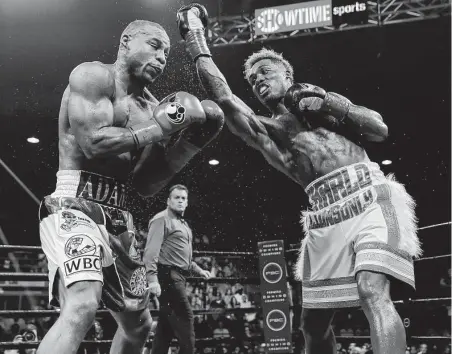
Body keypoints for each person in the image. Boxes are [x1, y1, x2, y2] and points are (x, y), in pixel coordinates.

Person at [176, 4, 421, 354]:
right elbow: (223, 95)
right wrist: (195, 34)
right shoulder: (267, 132)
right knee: (312, 326)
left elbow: (380, 129)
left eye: (265, 72)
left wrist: (334, 104)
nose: (258, 80)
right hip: (324, 214)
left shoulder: (326, 110)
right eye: (253, 80)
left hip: (370, 196)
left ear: (288, 78)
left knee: (372, 291)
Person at [38, 19, 224, 354]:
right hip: (74, 204)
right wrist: (160, 128)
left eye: (167, 52)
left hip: (120, 217)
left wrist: (188, 145)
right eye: (154, 45)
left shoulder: (152, 107)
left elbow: (144, 184)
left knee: (139, 326)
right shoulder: (93, 76)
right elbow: (94, 143)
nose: (162, 57)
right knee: (83, 304)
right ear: (126, 41)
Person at [144, 184, 212, 354]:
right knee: (186, 320)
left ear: (187, 203)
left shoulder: (183, 224)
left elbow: (183, 257)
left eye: (183, 198)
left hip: (178, 276)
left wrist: (198, 270)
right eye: (177, 198)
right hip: (168, 276)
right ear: (168, 201)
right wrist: (152, 280)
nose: (181, 201)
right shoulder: (161, 219)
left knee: (164, 331)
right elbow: (150, 252)